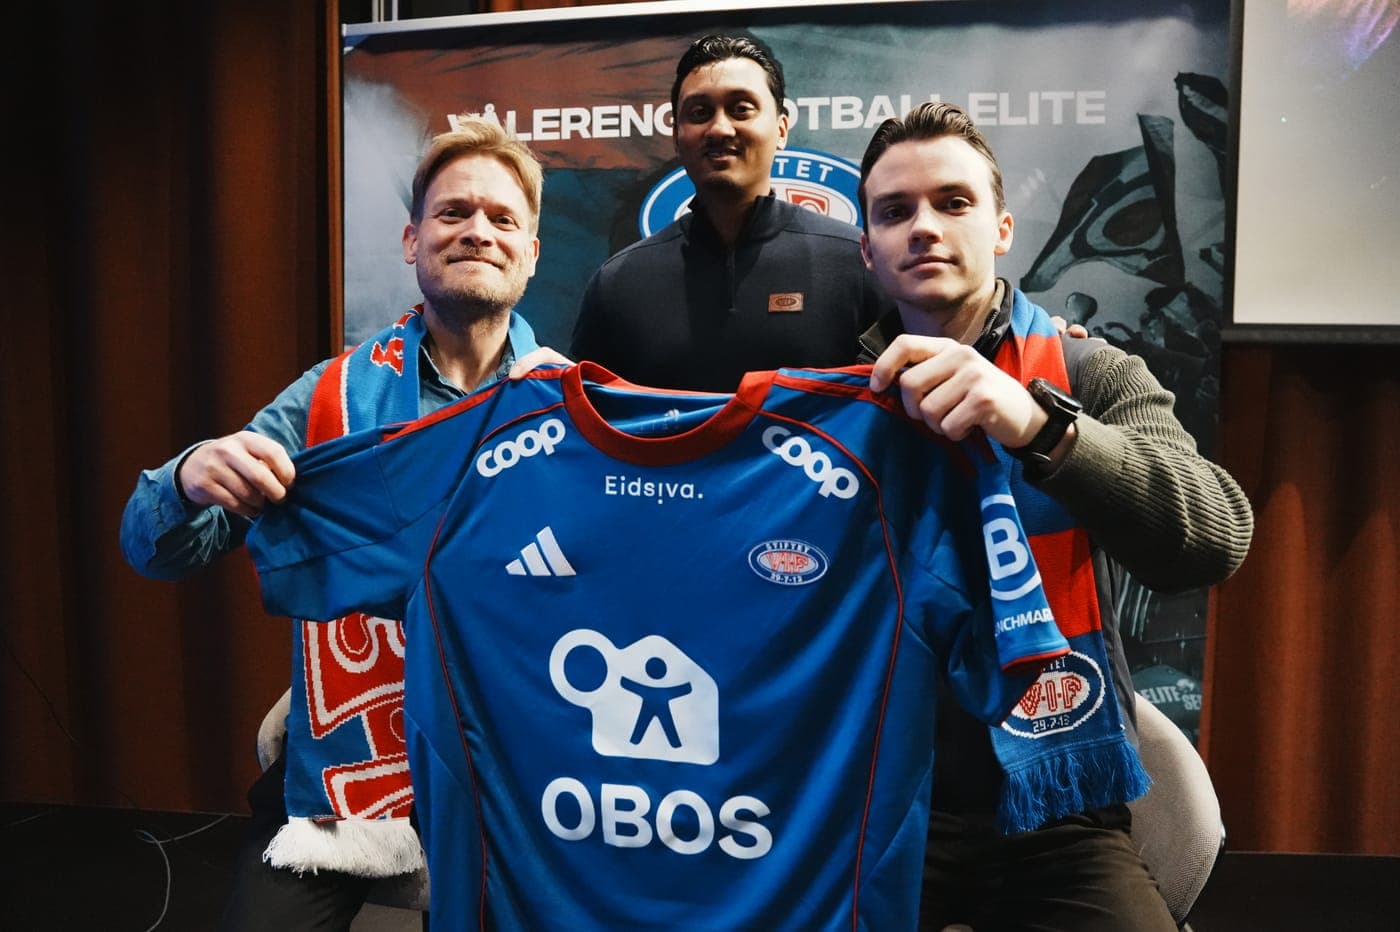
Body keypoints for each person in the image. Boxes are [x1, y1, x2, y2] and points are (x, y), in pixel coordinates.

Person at [120, 116, 566, 931]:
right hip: (351, 760)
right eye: (453, 213)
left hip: (521, 758)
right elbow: (159, 551)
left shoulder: (576, 409)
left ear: (533, 253)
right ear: (411, 240)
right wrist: (189, 480)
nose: (478, 231)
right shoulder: (330, 398)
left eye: (503, 218)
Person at [856, 101, 1254, 931]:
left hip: (1055, 814)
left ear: (1001, 228)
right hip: (878, 809)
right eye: (896, 212)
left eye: (952, 203)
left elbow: (1216, 536)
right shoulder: (835, 411)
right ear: (867, 249)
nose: (923, 227)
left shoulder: (1088, 370)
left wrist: (1046, 428)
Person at [570, 33, 890, 392]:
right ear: (677, 136)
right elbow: (585, 424)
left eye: (741, 109)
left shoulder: (857, 266)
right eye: (699, 113)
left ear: (781, 129)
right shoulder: (618, 283)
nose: (720, 128)